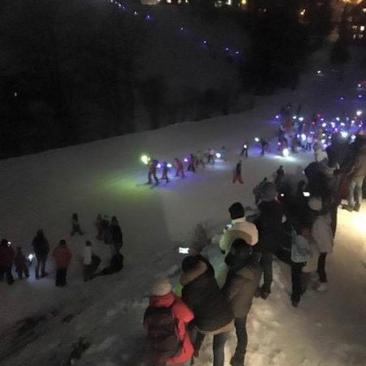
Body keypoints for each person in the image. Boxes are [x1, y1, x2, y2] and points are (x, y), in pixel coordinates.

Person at [180, 256, 233, 366]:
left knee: (195, 323)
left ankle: (194, 349)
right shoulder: (209, 275)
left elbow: (188, 314)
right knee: (218, 348)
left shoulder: (187, 291)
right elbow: (205, 263)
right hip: (226, 318)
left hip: (206, 325)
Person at [222, 239, 261, 366]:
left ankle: (237, 357)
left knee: (228, 329)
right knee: (241, 329)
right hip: (244, 303)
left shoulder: (240, 274)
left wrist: (219, 302)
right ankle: (240, 356)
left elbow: (228, 293)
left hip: (234, 306)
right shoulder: (254, 266)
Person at [143, 278, 194, 366]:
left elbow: (145, 326)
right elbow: (190, 317)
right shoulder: (176, 307)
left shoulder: (149, 310)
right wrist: (176, 298)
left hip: (160, 353)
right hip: (180, 351)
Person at [255, 182, 284, 299]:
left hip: (261, 239)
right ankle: (266, 288)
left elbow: (260, 223)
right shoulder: (279, 207)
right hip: (273, 240)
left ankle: (254, 287)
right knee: (267, 264)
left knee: (255, 264)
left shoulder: (263, 208)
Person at [308, 197, 334, 292]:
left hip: (323, 247)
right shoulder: (323, 219)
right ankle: (317, 275)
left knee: (320, 264)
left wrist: (318, 245)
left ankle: (323, 282)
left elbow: (321, 237)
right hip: (324, 247)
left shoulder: (319, 223)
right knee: (319, 262)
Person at [345, 136, 366, 212]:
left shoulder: (359, 156)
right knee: (359, 189)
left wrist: (349, 173)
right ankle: (358, 204)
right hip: (362, 175)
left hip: (355, 175)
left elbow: (355, 166)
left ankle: (351, 205)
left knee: (351, 190)